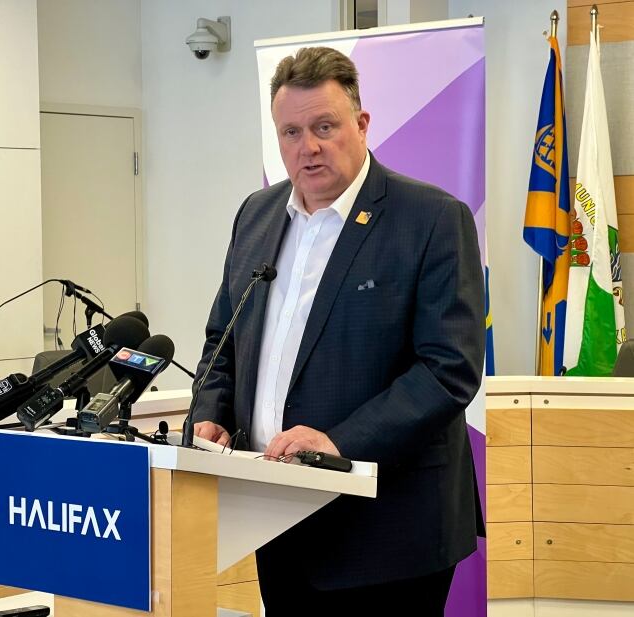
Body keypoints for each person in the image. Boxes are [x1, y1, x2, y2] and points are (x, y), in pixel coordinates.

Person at [191, 46, 485, 615]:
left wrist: (338, 445)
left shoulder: (431, 219)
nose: (309, 146)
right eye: (291, 132)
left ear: (362, 123)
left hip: (388, 531)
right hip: (276, 518)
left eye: (325, 126)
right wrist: (211, 413)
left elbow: (448, 369)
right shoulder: (255, 214)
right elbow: (220, 341)